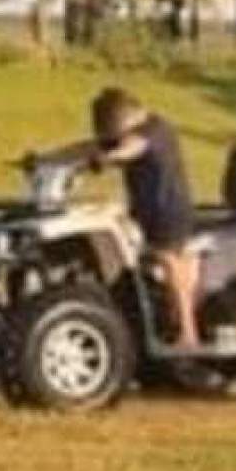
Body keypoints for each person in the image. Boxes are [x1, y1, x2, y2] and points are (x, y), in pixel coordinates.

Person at [77, 87, 200, 347]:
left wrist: (106, 159)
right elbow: (87, 147)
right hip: (143, 213)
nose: (111, 138)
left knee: (169, 259)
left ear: (124, 118)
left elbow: (132, 149)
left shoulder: (154, 129)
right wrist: (46, 160)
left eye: (112, 131)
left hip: (169, 212)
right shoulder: (125, 135)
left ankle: (189, 333)